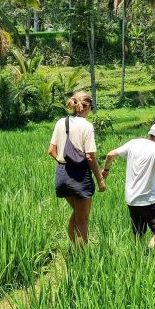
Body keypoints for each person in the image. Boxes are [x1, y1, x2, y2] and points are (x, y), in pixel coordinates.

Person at [102, 122, 155, 252]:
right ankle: (148, 252)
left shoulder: (133, 143)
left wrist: (106, 170)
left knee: (139, 233)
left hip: (131, 199)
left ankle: (138, 259)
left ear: (150, 133)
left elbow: (110, 155)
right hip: (148, 199)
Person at [48, 91, 106, 245]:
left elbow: (51, 151)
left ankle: (74, 251)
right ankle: (81, 259)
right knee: (82, 221)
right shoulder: (87, 126)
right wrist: (100, 180)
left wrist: (65, 161)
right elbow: (89, 157)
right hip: (80, 175)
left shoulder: (61, 122)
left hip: (61, 174)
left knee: (77, 214)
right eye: (90, 107)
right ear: (86, 107)